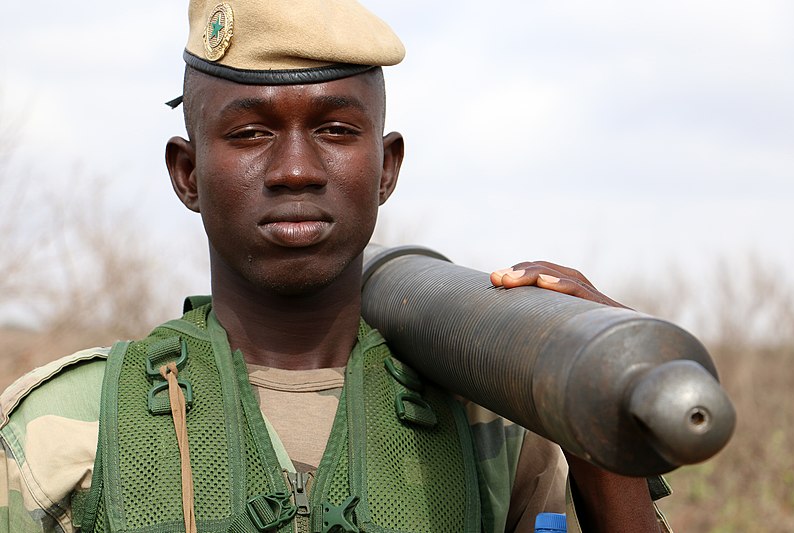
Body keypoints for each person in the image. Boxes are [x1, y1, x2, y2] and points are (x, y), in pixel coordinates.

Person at [0, 1, 671, 531]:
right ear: (188, 173)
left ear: (386, 167)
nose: (295, 169)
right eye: (250, 133)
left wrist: (596, 410)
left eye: (336, 130)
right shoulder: (68, 430)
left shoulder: (490, 430)